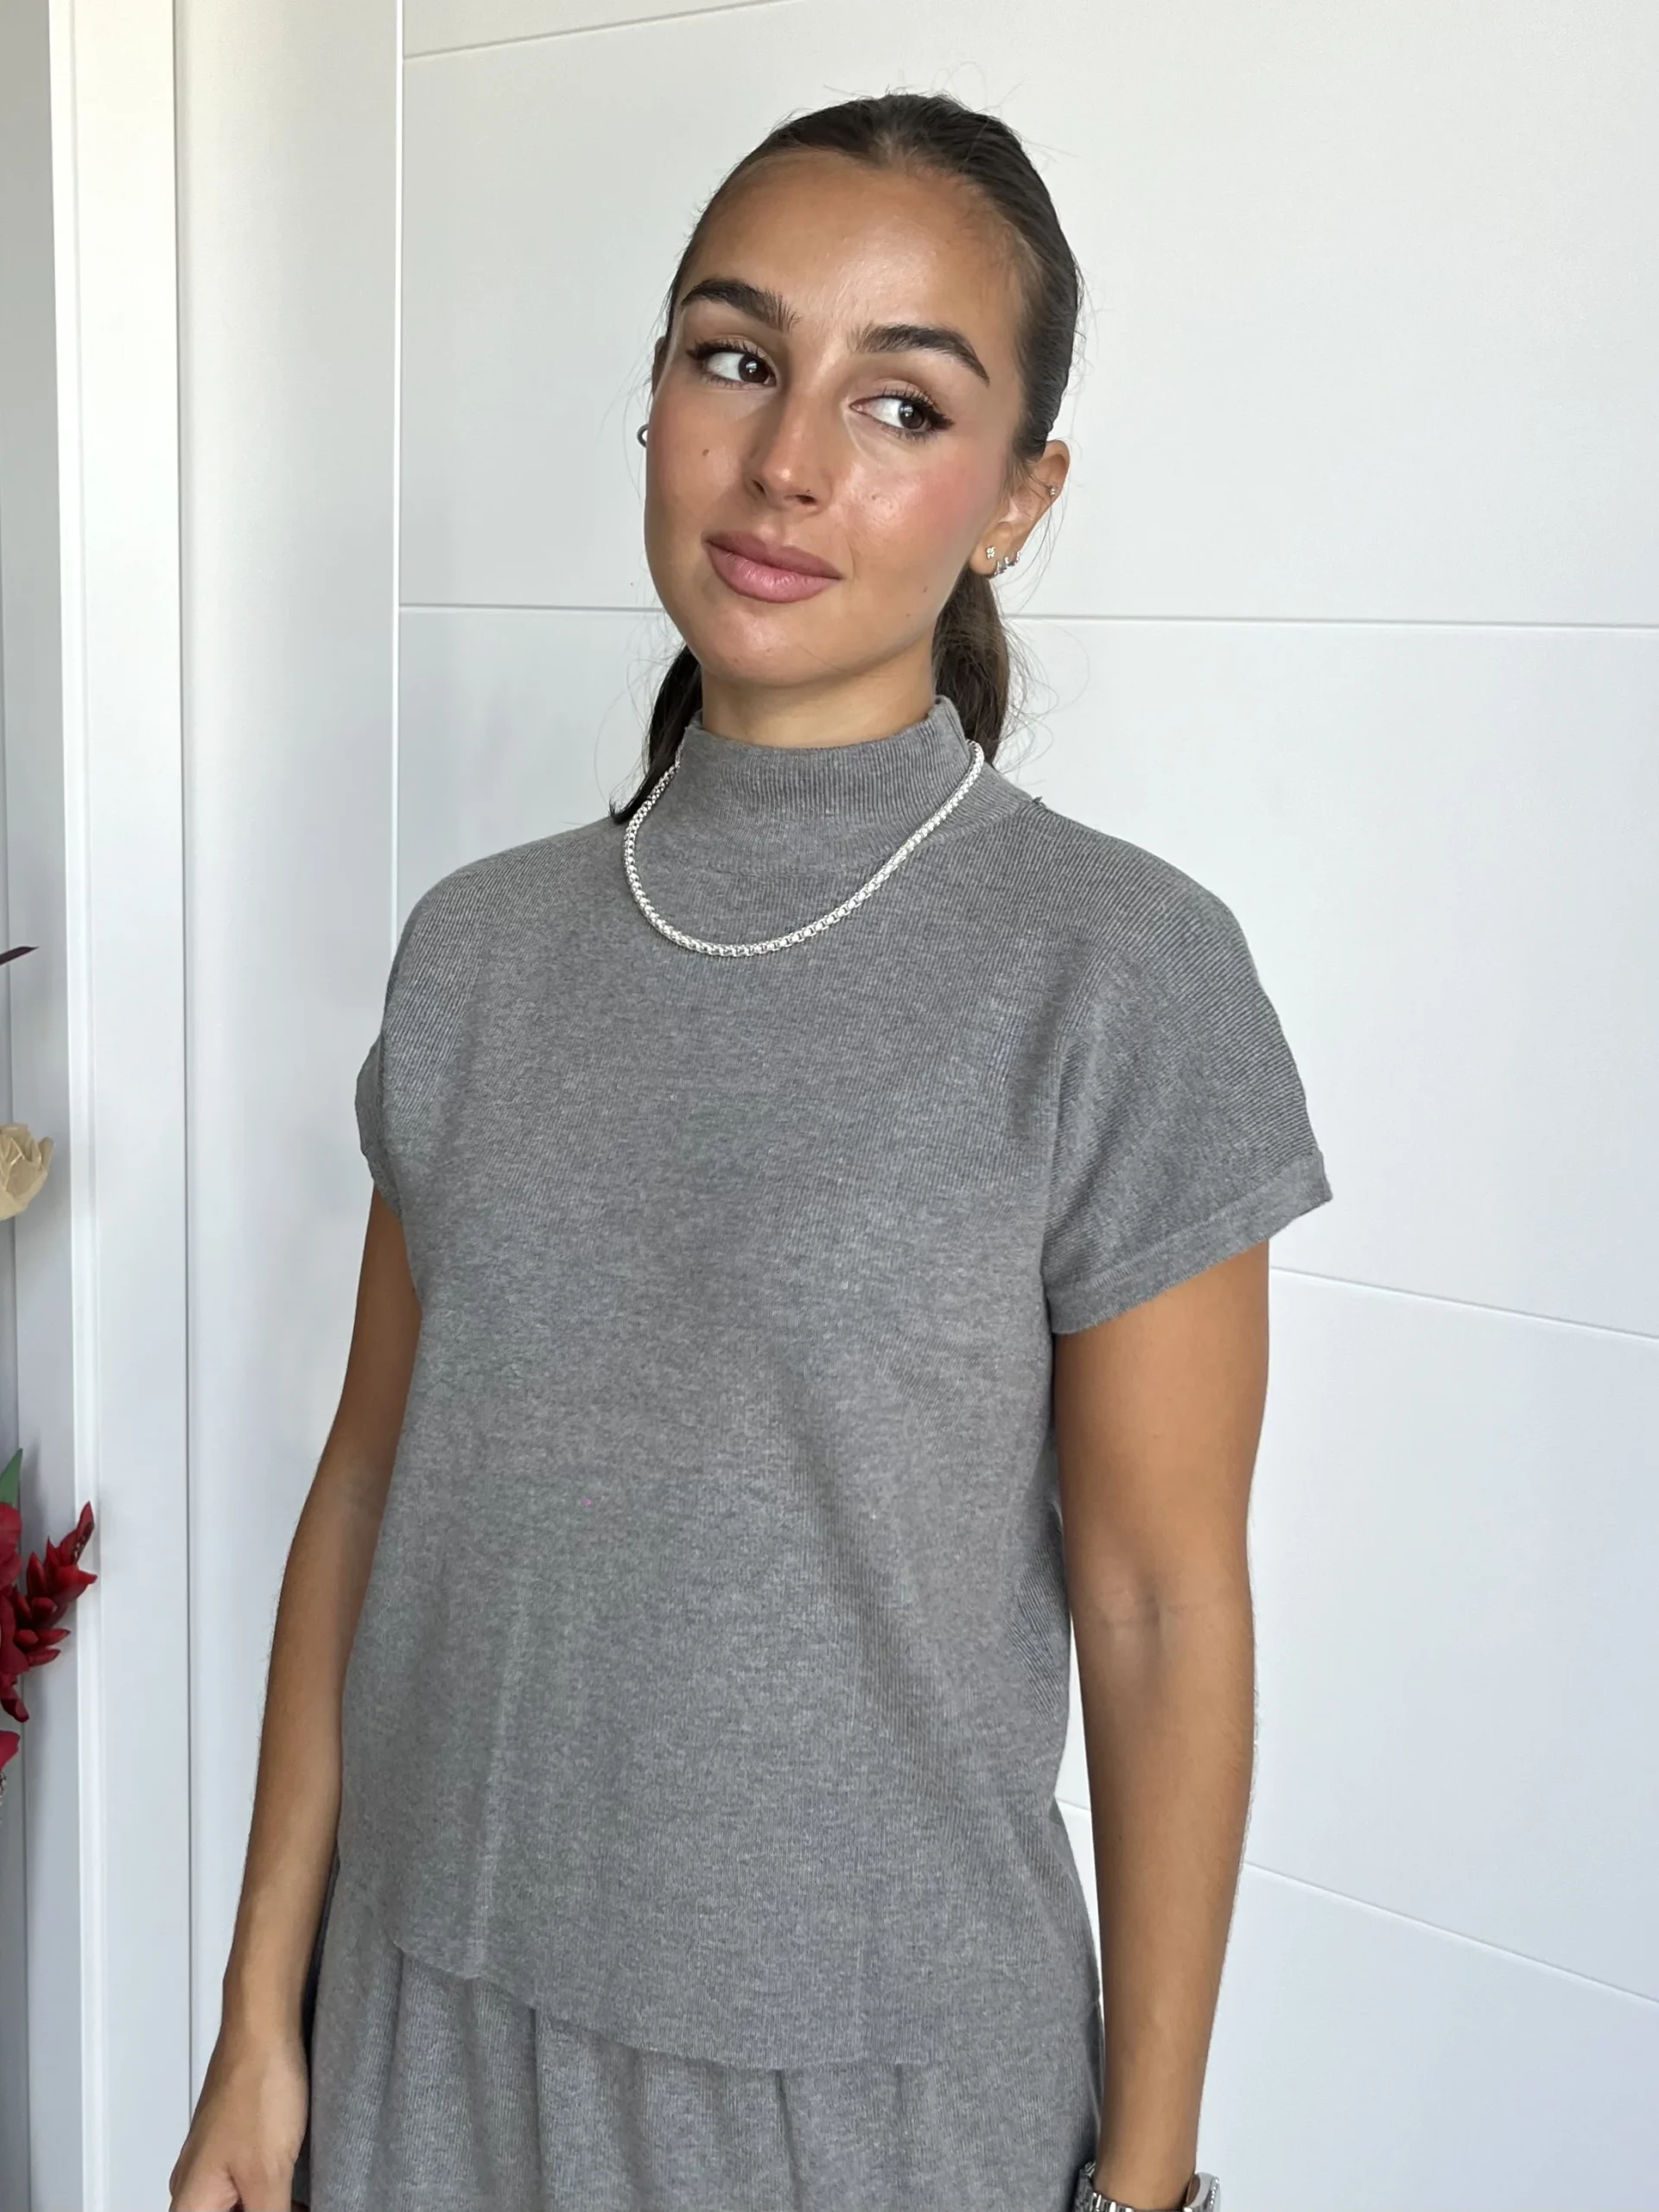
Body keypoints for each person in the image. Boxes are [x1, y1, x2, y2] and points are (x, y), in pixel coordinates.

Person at [169, 89, 1331, 2212]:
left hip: (859, 2105)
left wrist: (1147, 2184)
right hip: (422, 2038)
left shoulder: (1115, 975)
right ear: (655, 399)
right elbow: (370, 1486)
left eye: (902, 404)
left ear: (1018, 497)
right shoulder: (480, 952)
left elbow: (1165, 1604)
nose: (789, 459)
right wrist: (264, 2015)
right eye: (736, 358)